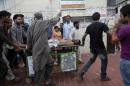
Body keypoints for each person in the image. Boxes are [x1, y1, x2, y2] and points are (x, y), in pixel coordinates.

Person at [27, 12, 61, 86]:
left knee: (50, 62)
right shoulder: (43, 22)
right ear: (41, 17)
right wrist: (59, 15)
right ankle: (39, 83)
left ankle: (47, 80)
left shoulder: (30, 26)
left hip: (40, 49)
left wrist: (29, 48)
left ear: (34, 18)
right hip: (41, 49)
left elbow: (28, 40)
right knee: (39, 68)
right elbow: (54, 20)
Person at [79, 12, 111, 81]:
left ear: (92, 18)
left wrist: (83, 43)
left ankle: (82, 71)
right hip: (100, 48)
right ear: (99, 17)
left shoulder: (89, 26)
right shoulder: (102, 25)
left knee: (91, 60)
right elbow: (109, 34)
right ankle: (103, 76)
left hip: (92, 48)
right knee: (104, 61)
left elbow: (84, 36)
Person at [0, 10, 20, 86]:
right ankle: (9, 78)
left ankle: (9, 77)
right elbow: (4, 38)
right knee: (4, 67)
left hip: (1, 49)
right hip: (1, 49)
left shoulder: (3, 26)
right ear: (2, 17)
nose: (9, 19)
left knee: (5, 65)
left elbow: (7, 37)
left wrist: (5, 26)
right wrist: (15, 45)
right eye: (8, 17)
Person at [111, 4, 130, 86]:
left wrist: (115, 28)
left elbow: (113, 40)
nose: (120, 18)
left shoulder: (125, 29)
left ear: (128, 15)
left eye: (121, 15)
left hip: (127, 60)